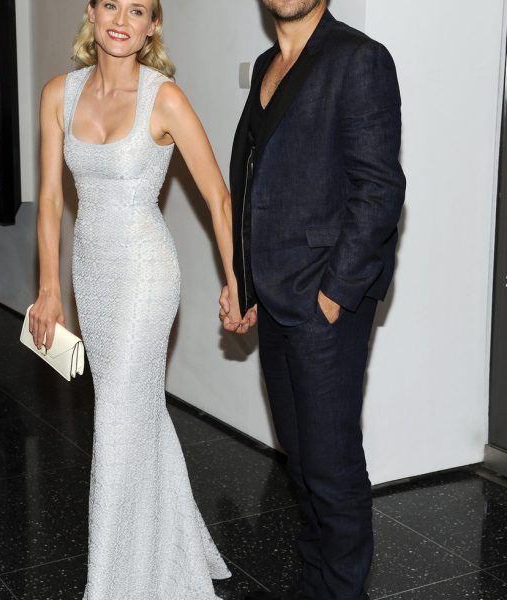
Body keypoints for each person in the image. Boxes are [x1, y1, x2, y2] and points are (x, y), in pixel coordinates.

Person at [29, 0, 242, 597]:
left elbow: (218, 198)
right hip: (91, 275)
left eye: (138, 9)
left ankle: (109, 584)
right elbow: (50, 199)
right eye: (112, 5)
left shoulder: (163, 98)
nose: (122, 19)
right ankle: (174, 549)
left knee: (118, 420)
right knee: (136, 411)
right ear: (91, 13)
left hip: (147, 275)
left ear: (153, 26)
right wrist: (49, 288)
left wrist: (236, 281)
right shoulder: (58, 95)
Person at [220, 1, 406, 598]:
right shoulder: (268, 64)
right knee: (299, 462)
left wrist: (334, 296)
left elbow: (379, 190)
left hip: (325, 301)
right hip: (275, 296)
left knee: (331, 466)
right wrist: (245, 281)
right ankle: (315, 583)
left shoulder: (359, 59)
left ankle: (343, 589)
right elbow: (255, 183)